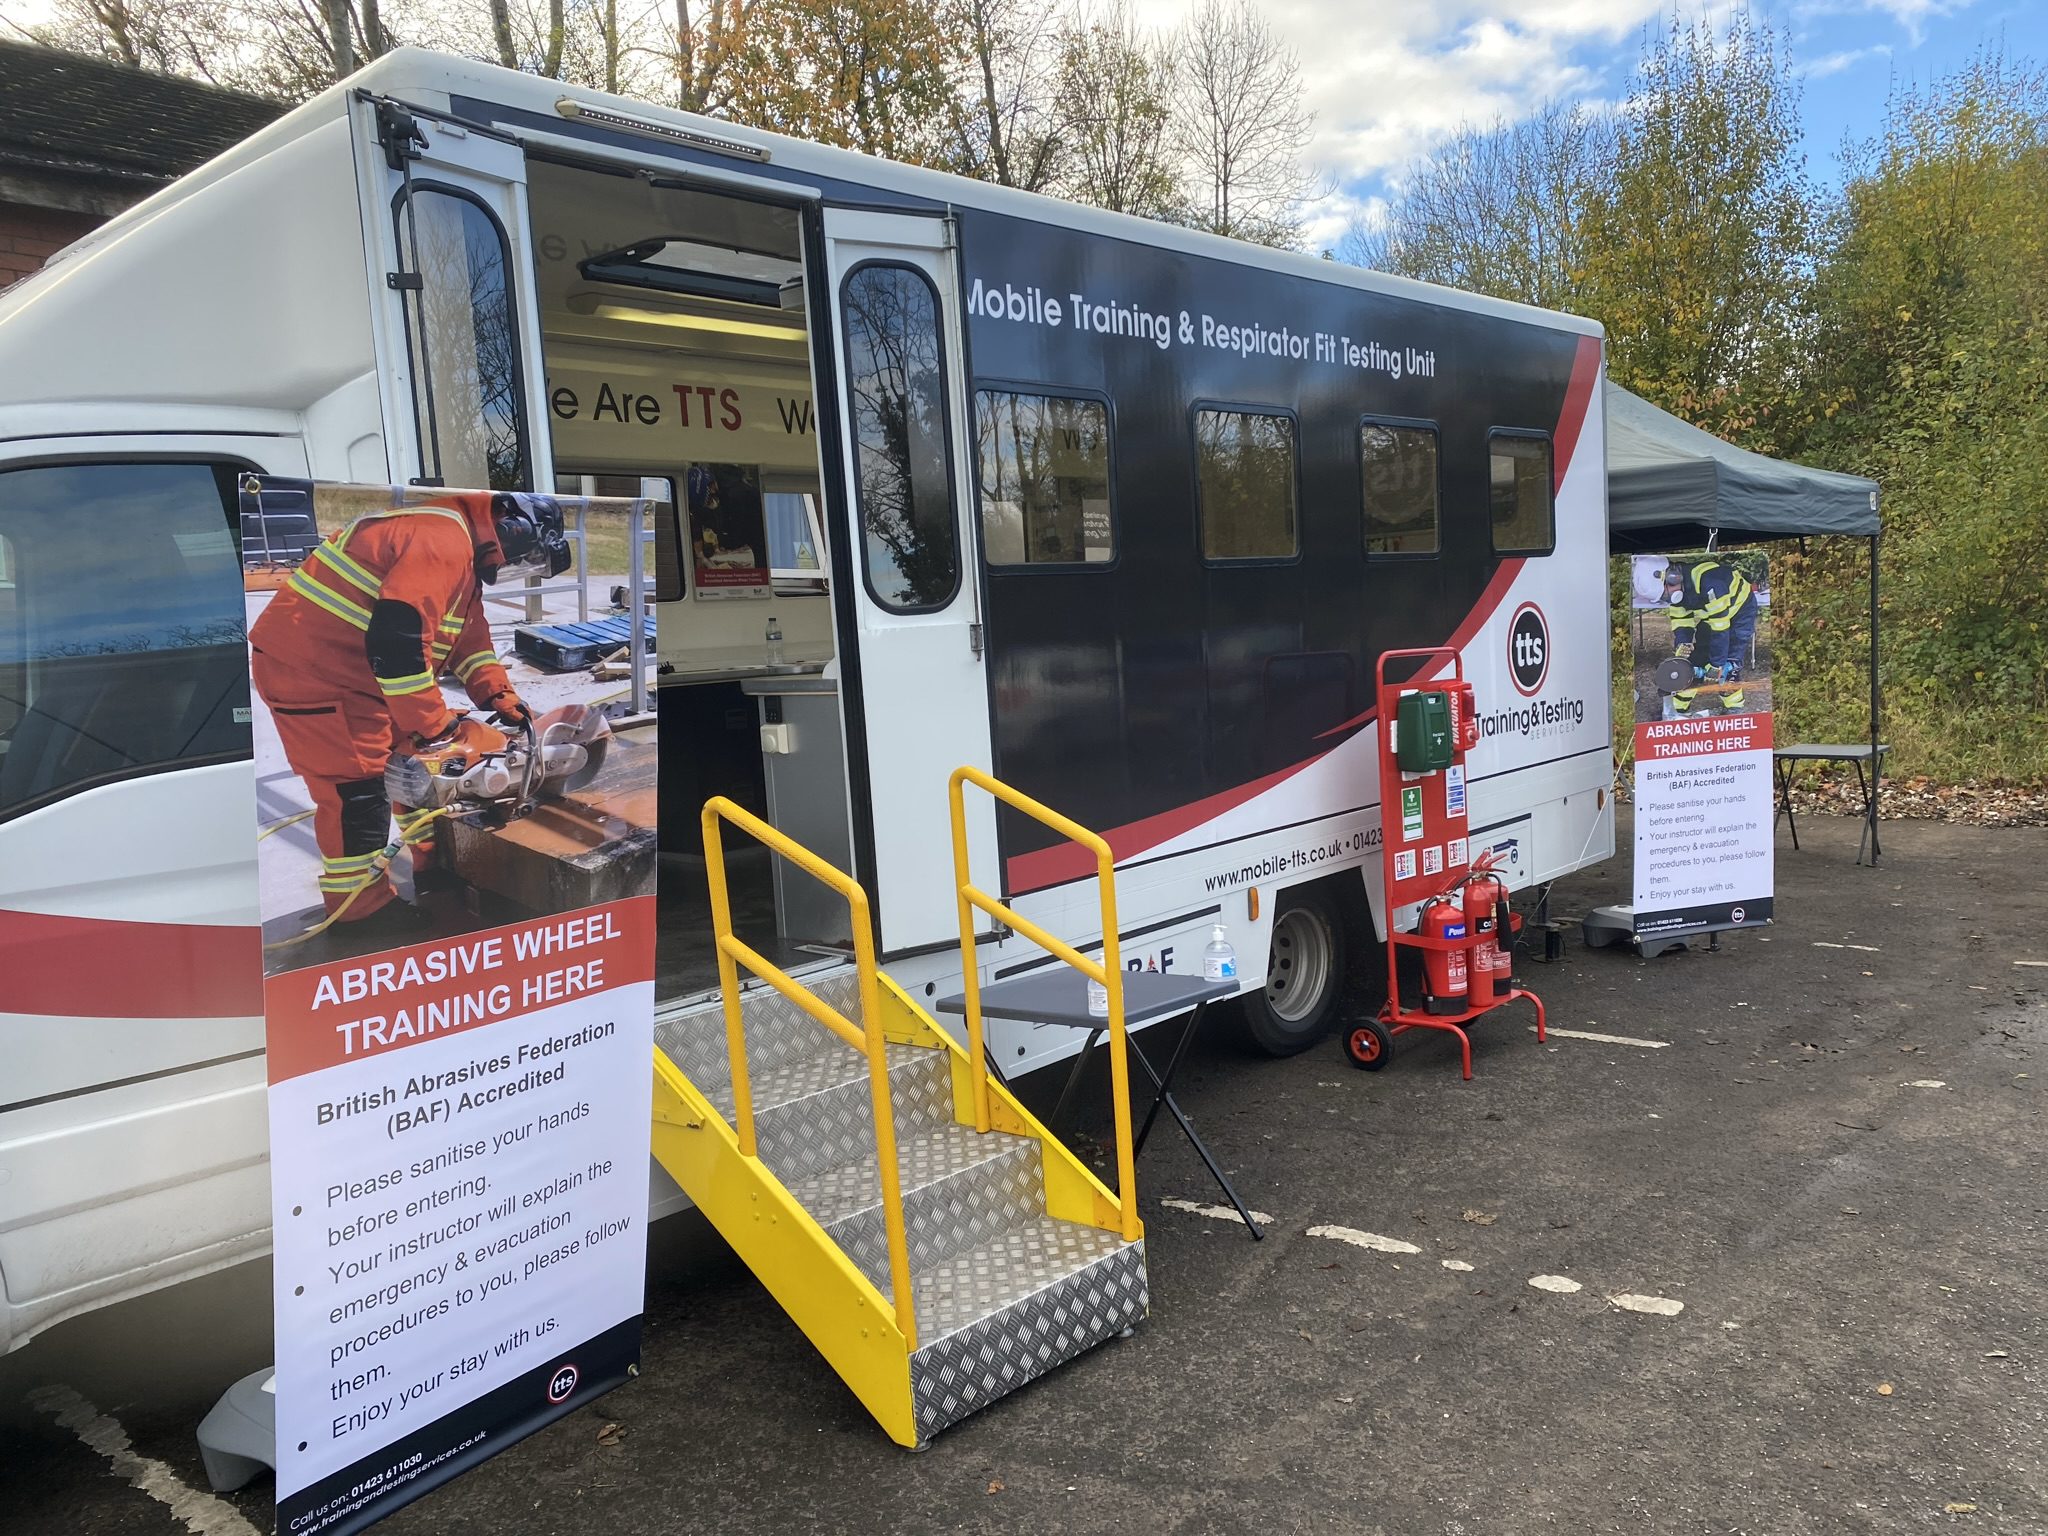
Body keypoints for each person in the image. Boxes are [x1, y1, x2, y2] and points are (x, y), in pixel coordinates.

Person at [250, 489, 568, 925]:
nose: (510, 567)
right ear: (511, 528)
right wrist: (435, 727)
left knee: (423, 766)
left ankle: (436, 867)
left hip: (362, 674)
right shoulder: (440, 541)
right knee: (356, 789)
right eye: (521, 559)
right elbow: (397, 645)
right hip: (315, 674)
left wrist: (498, 695)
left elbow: (469, 641)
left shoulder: (459, 550)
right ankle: (361, 913)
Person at [1661, 557, 1757, 716]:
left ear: (1672, 578)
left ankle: (1734, 707)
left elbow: (1720, 630)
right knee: (1696, 657)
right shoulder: (1677, 592)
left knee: (1728, 664)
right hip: (1714, 615)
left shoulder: (1711, 584)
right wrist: (1683, 643)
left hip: (1740, 613)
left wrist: (1717, 665)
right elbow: (1681, 620)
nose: (1668, 597)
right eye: (1663, 597)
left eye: (1666, 593)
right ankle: (1678, 707)